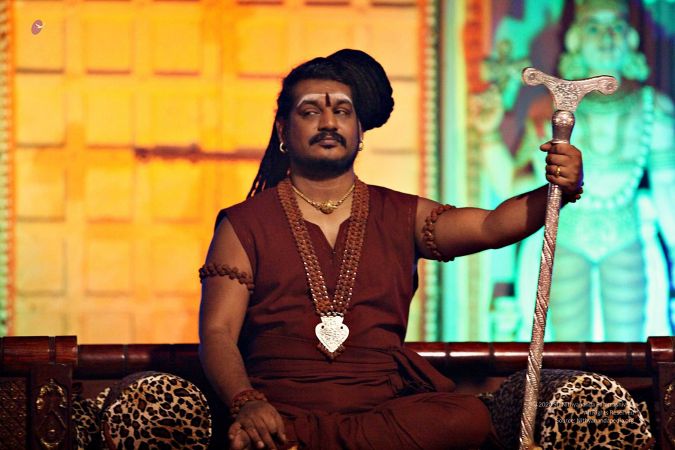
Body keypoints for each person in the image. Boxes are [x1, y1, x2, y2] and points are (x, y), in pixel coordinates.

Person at [198, 49, 583, 450]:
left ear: (360, 131)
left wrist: (560, 189)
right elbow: (218, 332)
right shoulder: (243, 224)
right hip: (283, 411)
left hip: (378, 413)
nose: (328, 123)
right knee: (264, 433)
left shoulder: (401, 214)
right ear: (283, 129)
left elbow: (490, 226)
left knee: (465, 418)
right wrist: (246, 403)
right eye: (310, 112)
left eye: (342, 112)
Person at [506, 0, 675, 341]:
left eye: (616, 27)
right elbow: (516, 188)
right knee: (568, 353)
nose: (606, 38)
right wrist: (485, 139)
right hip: (568, 241)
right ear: (576, 39)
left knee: (629, 353)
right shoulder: (549, 110)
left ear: (631, 37)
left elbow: (668, 194)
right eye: (594, 28)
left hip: (626, 241)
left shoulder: (654, 109)